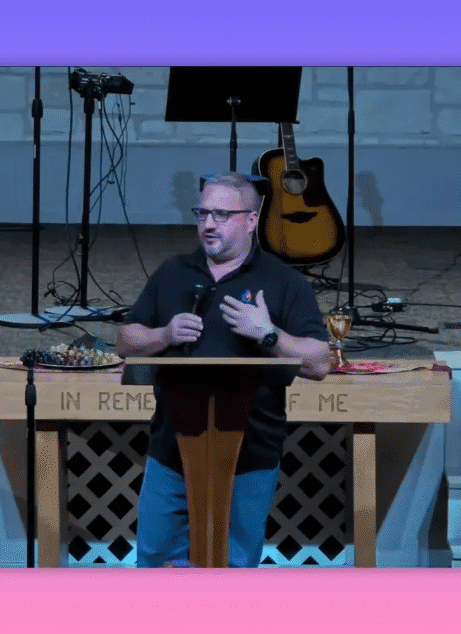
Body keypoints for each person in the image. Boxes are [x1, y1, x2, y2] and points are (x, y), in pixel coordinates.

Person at [116, 172, 331, 568]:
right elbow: (126, 339)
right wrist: (163, 333)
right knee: (156, 563)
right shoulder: (174, 272)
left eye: (221, 214)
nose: (208, 224)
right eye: (202, 213)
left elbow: (319, 362)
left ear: (251, 220)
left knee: (231, 569)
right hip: (172, 448)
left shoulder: (283, 281)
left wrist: (267, 333)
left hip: (250, 454)